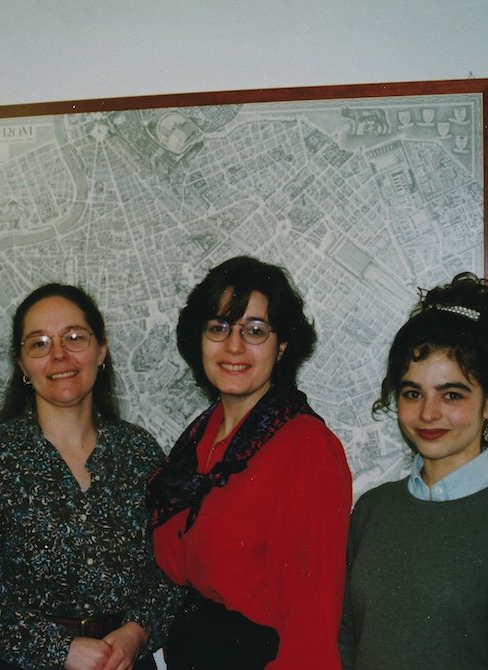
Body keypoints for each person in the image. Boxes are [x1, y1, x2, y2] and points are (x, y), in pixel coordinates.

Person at [0, 283, 183, 670]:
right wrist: (60, 648)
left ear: (101, 350)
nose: (59, 355)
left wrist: (137, 631)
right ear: (22, 365)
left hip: (121, 661)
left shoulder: (139, 451)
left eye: (74, 338)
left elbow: (172, 563)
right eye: (39, 343)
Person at [339, 272, 488, 669]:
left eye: (451, 394)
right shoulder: (372, 510)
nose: (428, 413)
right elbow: (345, 644)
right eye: (412, 393)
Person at [147, 256, 352, 670]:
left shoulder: (307, 449)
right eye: (219, 328)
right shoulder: (199, 440)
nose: (234, 346)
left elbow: (311, 622)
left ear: (282, 346)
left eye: (255, 331)